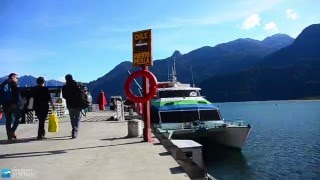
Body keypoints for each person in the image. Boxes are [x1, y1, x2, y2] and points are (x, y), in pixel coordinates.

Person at [0, 73, 21, 140]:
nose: (17, 79)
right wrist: (17, 103)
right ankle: (12, 131)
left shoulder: (2, 84)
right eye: (17, 78)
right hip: (13, 104)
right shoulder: (13, 83)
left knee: (8, 120)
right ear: (13, 77)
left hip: (5, 105)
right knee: (18, 118)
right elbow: (17, 94)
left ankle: (9, 135)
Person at [62, 74, 82, 138]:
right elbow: (81, 93)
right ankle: (75, 130)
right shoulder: (76, 84)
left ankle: (74, 128)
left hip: (69, 104)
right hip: (77, 104)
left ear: (66, 79)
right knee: (77, 118)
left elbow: (64, 96)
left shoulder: (64, 87)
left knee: (72, 118)